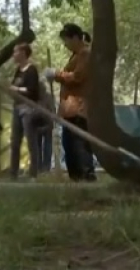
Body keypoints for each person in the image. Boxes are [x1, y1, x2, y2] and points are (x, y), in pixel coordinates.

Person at [44, 23, 96, 182]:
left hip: (79, 107)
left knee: (79, 144)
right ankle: (75, 178)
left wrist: (57, 74)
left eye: (66, 40)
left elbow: (78, 76)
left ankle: (87, 175)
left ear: (75, 37)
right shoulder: (75, 55)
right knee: (69, 145)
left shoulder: (85, 53)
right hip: (69, 108)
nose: (65, 44)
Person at [8, 43, 42, 179]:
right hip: (16, 107)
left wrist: (16, 89)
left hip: (28, 108)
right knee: (15, 141)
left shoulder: (31, 70)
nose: (13, 55)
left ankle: (33, 174)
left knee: (31, 141)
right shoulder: (18, 70)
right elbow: (14, 86)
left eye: (15, 52)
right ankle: (13, 174)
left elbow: (32, 90)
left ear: (23, 53)